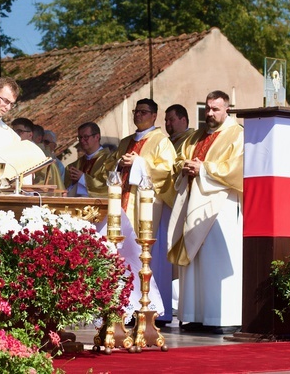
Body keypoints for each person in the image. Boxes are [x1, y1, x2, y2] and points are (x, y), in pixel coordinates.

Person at [167, 90, 244, 332]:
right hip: (193, 202)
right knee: (194, 263)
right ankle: (194, 315)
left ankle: (222, 318)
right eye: (207, 109)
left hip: (221, 206)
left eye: (215, 109)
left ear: (227, 109)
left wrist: (203, 168)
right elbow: (177, 159)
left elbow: (237, 168)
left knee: (214, 260)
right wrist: (184, 166)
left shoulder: (237, 134)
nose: (210, 113)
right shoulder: (195, 136)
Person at [104, 98, 176, 325]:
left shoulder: (161, 141)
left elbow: (166, 171)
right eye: (137, 111)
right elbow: (109, 168)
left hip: (145, 209)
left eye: (144, 112)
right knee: (120, 256)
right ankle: (123, 306)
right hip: (121, 206)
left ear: (154, 115)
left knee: (142, 256)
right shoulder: (125, 142)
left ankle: (147, 308)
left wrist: (139, 163)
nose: (138, 115)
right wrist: (120, 164)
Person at [64, 122, 111, 198]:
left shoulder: (110, 160)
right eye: (80, 137)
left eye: (86, 137)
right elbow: (64, 191)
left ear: (97, 137)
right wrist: (73, 183)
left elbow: (106, 187)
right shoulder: (74, 166)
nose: (82, 141)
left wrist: (83, 178)